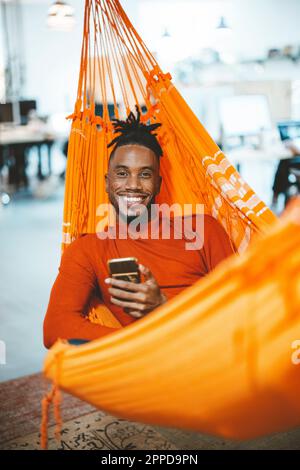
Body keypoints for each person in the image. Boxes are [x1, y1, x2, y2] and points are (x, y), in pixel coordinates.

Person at [43, 108, 235, 348]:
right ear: (107, 182)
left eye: (145, 174)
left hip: (208, 350)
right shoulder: (88, 249)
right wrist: (142, 342)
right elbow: (55, 328)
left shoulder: (203, 229)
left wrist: (164, 306)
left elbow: (239, 305)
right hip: (143, 365)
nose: (132, 185)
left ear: (158, 184)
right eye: (122, 174)